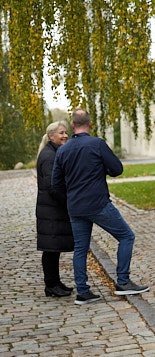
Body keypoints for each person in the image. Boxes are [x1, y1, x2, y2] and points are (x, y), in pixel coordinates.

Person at [51, 109, 149, 305]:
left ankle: (83, 292)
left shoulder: (63, 149)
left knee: (80, 248)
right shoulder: (97, 144)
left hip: (76, 207)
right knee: (126, 236)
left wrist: (70, 197)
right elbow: (117, 169)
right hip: (98, 204)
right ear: (90, 123)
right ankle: (122, 282)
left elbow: (56, 183)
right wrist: (102, 170)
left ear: (72, 125)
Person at [36, 121, 74, 297]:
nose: (65, 135)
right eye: (61, 133)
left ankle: (55, 282)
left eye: (66, 132)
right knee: (51, 249)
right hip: (51, 210)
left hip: (52, 209)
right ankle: (51, 285)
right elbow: (53, 186)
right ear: (51, 136)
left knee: (54, 247)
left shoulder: (54, 152)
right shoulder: (49, 156)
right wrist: (69, 202)